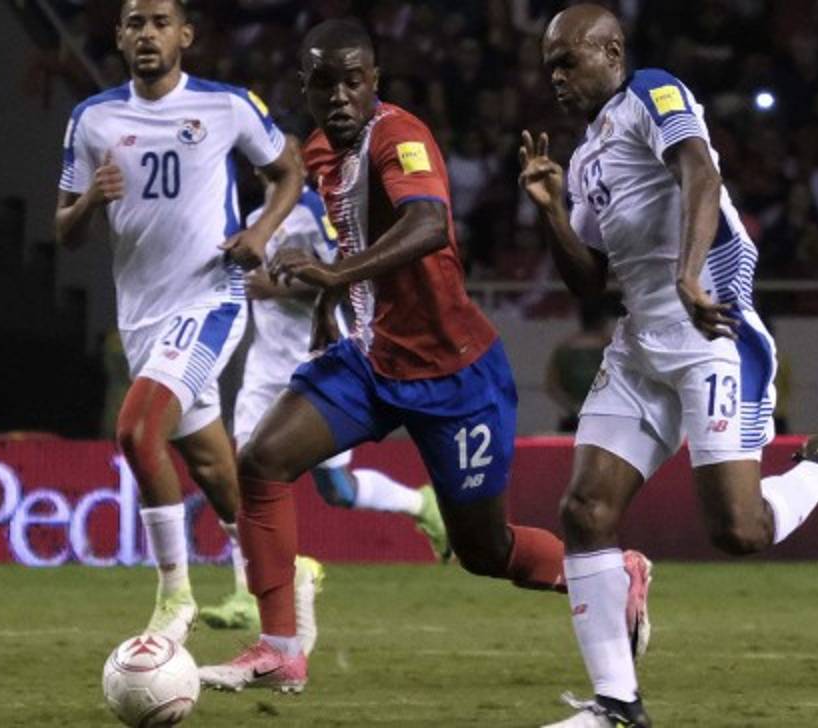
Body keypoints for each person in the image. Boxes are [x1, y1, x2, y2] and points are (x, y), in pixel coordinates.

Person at [517, 6, 818, 726]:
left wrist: (690, 275)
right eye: (550, 67)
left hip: (710, 330)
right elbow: (589, 281)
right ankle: (617, 707)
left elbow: (698, 171)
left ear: (612, 50)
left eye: (569, 60)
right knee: (584, 511)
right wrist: (551, 212)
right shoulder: (590, 155)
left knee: (738, 531)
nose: (557, 78)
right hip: (638, 345)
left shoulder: (654, 92)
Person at [199, 19, 575, 694]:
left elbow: (427, 224)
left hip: (455, 373)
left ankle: (607, 576)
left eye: (353, 81)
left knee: (485, 552)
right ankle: (281, 647)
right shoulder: (317, 152)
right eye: (325, 82)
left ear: (375, 83)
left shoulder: (399, 138)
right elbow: (352, 243)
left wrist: (335, 279)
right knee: (261, 459)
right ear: (304, 88)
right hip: (372, 361)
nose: (340, 96)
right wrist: (325, 304)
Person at [53, 0, 309, 646]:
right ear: (118, 36)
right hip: (142, 319)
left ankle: (175, 598)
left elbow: (289, 168)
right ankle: (283, 576)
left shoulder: (225, 107)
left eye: (160, 22)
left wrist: (262, 229)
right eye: (135, 23)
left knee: (138, 432)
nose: (147, 33)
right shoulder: (93, 118)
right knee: (219, 473)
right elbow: (64, 231)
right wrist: (90, 199)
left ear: (185, 35)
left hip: (210, 300)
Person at [200, 168, 451, 632]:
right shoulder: (255, 220)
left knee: (337, 490)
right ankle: (247, 593)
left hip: (316, 361)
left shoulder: (317, 211)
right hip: (262, 369)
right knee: (242, 480)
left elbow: (342, 277)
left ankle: (423, 506)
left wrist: (273, 288)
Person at [546, 297, 612, 432]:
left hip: (575, 418)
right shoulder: (612, 348)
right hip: (606, 420)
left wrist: (573, 407)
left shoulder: (564, 348)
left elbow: (552, 386)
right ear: (602, 320)